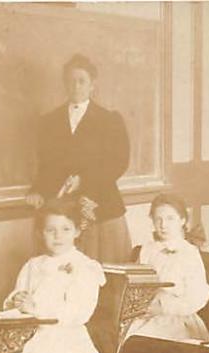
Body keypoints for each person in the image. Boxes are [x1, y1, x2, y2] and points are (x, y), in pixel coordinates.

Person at [0, 198, 108, 353]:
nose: (58, 236)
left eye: (66, 229)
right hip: (30, 336)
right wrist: (17, 299)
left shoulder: (84, 267)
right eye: (50, 230)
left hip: (65, 339)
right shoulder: (33, 265)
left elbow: (79, 313)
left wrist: (36, 308)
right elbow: (20, 295)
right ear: (41, 233)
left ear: (77, 231)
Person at [27, 53, 132, 263]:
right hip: (61, 208)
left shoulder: (109, 120)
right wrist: (37, 190)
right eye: (71, 81)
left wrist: (84, 180)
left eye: (82, 81)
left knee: (103, 269)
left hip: (100, 206)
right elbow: (45, 164)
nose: (76, 86)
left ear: (92, 84)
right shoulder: (49, 122)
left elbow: (119, 162)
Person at [126, 193, 209, 342]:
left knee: (141, 339)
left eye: (170, 219)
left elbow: (196, 298)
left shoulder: (189, 253)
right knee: (124, 335)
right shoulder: (147, 249)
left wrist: (164, 307)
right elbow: (136, 283)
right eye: (158, 219)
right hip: (147, 312)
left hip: (177, 319)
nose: (163, 225)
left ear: (182, 220)